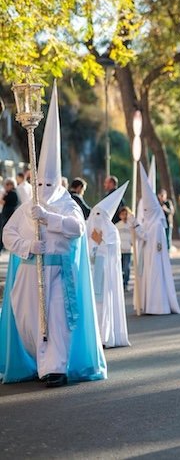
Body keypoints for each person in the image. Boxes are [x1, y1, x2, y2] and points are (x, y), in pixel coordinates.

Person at [0, 85, 106, 387]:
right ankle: (40, 361)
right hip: (30, 272)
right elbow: (8, 235)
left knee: (57, 320)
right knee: (30, 321)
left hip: (59, 274)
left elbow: (78, 228)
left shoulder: (66, 203)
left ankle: (55, 367)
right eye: (40, 184)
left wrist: (50, 219)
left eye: (48, 184)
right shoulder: (27, 206)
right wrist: (28, 245)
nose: (43, 189)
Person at [131, 163, 180, 315]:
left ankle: (157, 306)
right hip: (147, 258)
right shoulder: (148, 222)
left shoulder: (158, 224)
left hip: (156, 260)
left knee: (155, 281)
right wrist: (135, 227)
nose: (145, 213)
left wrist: (137, 227)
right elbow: (143, 236)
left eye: (147, 210)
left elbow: (150, 239)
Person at [86, 182, 130, 348]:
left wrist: (101, 241)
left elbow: (113, 252)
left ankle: (104, 335)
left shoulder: (112, 231)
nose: (96, 217)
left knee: (103, 304)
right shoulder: (89, 228)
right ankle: (92, 335)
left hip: (105, 274)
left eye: (99, 214)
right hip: (91, 272)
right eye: (94, 213)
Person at [116, 206, 134, 290]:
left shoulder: (131, 226)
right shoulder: (117, 225)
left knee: (126, 267)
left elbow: (133, 236)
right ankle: (120, 283)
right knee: (120, 268)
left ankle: (125, 283)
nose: (124, 216)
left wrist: (132, 243)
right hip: (120, 250)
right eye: (123, 214)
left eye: (126, 214)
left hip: (128, 250)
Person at [0, 177, 19, 253]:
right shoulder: (9, 193)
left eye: (8, 184)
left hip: (9, 214)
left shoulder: (12, 193)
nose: (6, 186)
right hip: (6, 214)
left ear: (12, 185)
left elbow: (2, 201)